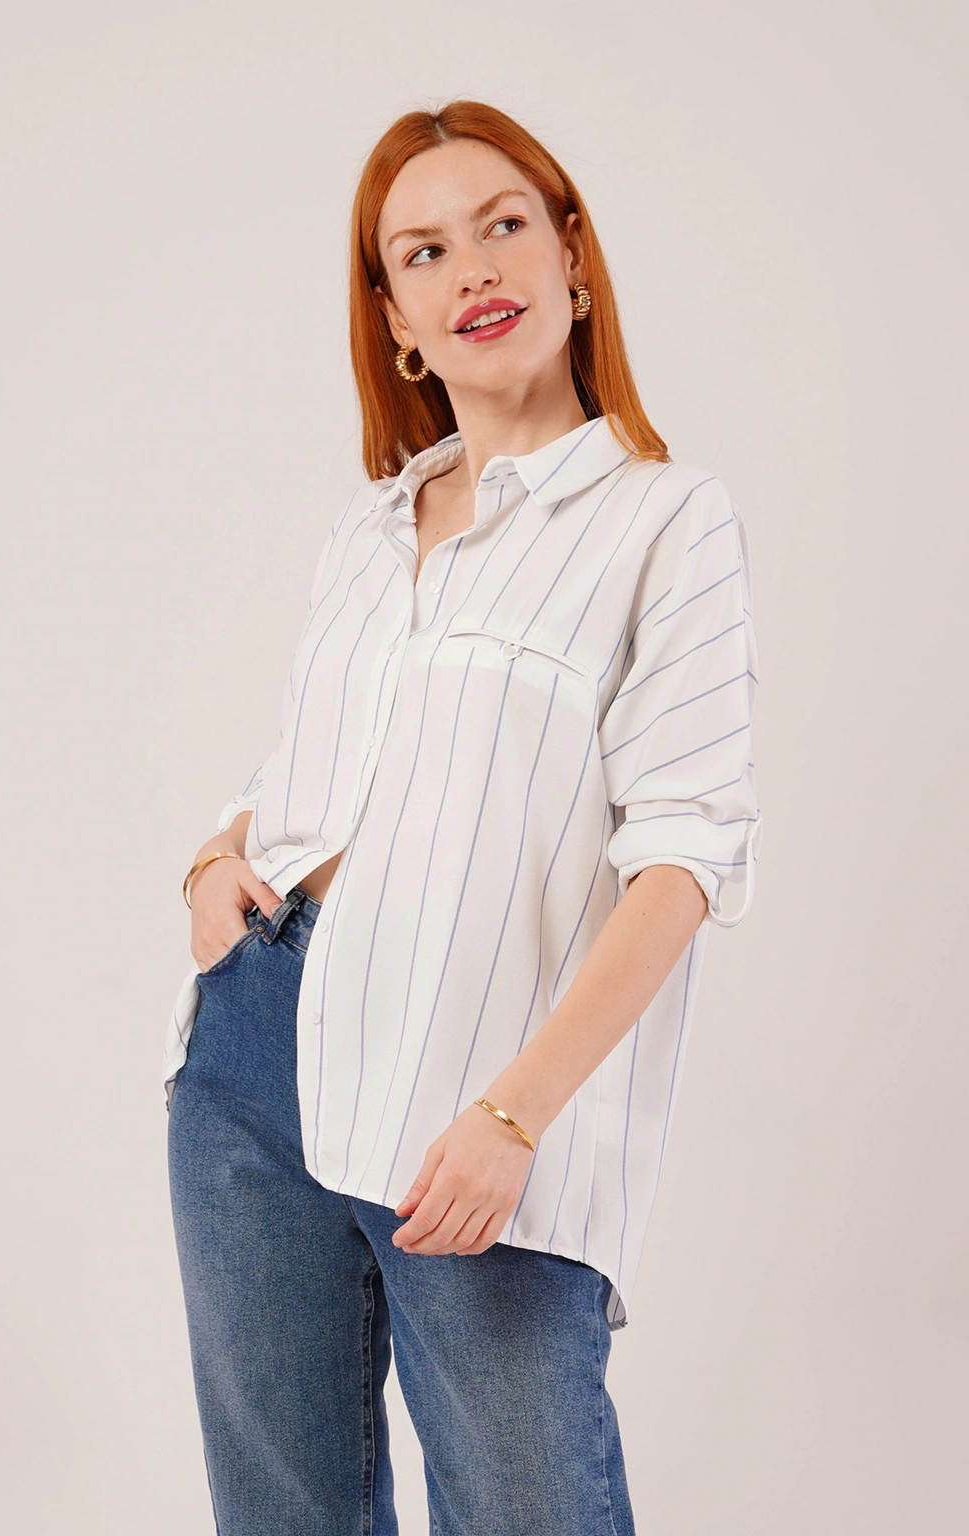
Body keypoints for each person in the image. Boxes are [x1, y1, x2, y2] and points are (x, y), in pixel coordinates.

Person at [163, 98, 762, 1536]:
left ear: (572, 260)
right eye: (423, 252)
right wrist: (210, 861)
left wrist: (513, 1113)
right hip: (254, 1050)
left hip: (481, 1084)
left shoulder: (665, 522)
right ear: (397, 321)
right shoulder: (370, 530)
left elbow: (681, 860)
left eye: (503, 225)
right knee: (283, 1513)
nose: (473, 269)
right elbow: (321, 762)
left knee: (525, 1506)